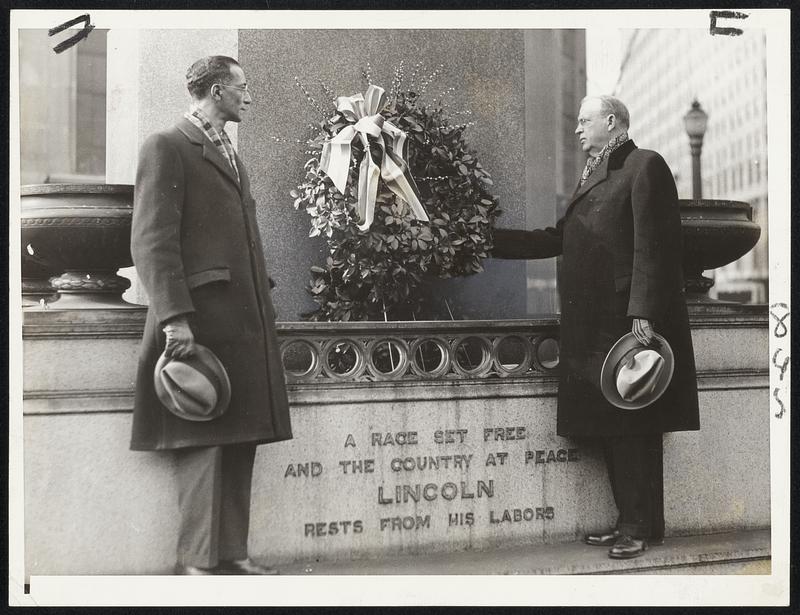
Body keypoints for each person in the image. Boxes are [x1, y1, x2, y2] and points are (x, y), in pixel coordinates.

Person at [491, 95, 699, 559]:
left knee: (632, 424)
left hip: (627, 321)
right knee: (614, 422)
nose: (578, 128)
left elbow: (654, 245)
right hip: (596, 323)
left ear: (611, 121)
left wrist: (642, 311)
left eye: (585, 121)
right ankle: (632, 522)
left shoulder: (645, 165)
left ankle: (639, 527)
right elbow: (558, 238)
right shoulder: (594, 173)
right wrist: (488, 241)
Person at [130, 55, 293, 574]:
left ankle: (233, 554)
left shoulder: (227, 151)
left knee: (241, 436)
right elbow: (152, 241)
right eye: (242, 87)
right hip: (199, 319)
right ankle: (196, 561)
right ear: (218, 90)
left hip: (241, 319)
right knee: (202, 439)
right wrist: (175, 316)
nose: (249, 96)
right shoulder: (167, 145)